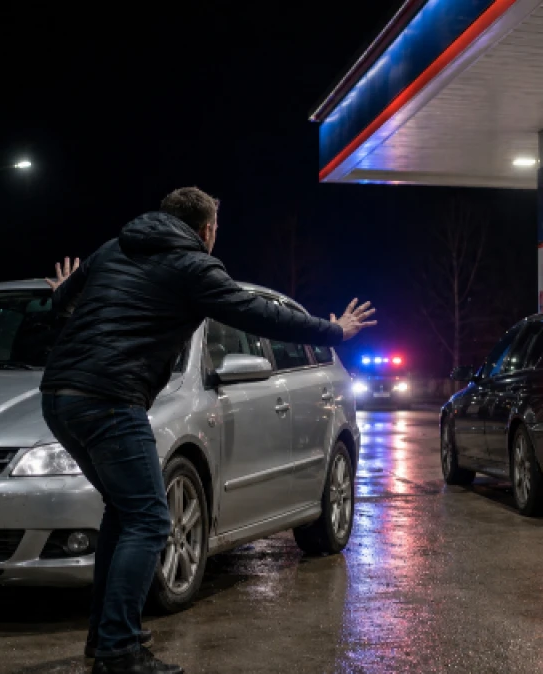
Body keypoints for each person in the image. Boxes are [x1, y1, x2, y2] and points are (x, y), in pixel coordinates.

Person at [41, 187, 375, 674]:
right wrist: (335, 331)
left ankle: (108, 634)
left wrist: (64, 293)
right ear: (206, 229)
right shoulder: (194, 266)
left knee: (126, 510)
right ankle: (118, 651)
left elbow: (61, 303)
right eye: (216, 227)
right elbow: (259, 314)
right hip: (109, 399)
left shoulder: (113, 249)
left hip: (58, 396)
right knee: (150, 520)